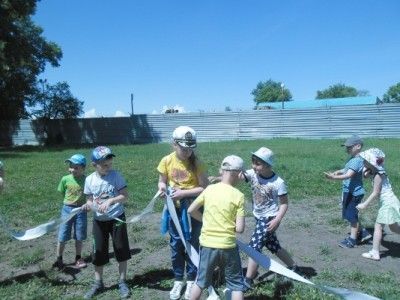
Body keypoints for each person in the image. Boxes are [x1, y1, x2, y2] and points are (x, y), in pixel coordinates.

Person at [157, 126, 208, 300]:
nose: (187, 152)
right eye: (183, 148)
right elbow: (162, 181)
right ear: (174, 144)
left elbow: (204, 188)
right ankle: (178, 279)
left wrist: (184, 193)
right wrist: (162, 188)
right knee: (176, 244)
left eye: (190, 148)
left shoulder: (198, 163)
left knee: (193, 242)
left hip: (193, 210)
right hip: (174, 210)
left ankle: (192, 279)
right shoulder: (166, 161)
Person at [240, 147, 298, 289]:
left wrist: (277, 220)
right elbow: (240, 177)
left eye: (257, 163)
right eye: (253, 162)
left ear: (267, 165)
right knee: (273, 245)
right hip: (259, 217)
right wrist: (224, 176)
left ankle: (248, 280)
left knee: (254, 247)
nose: (254, 166)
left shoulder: (278, 182)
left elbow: (284, 204)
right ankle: (294, 267)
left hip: (270, 218)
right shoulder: (253, 173)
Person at [188, 155, 245, 300]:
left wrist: (205, 221)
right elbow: (239, 229)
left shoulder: (209, 189)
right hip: (228, 246)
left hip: (207, 245)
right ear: (239, 174)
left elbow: (191, 210)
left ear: (221, 171)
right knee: (236, 285)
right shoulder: (239, 195)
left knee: (200, 282)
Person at [82, 146, 131, 299]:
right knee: (98, 252)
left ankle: (122, 281)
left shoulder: (116, 176)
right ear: (94, 165)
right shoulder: (89, 180)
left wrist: (111, 200)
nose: (108, 167)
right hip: (99, 222)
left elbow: (124, 196)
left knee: (121, 248)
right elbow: (89, 200)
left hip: (117, 219)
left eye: (110, 164)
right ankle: (98, 283)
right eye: (104, 165)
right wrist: (88, 206)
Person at [324, 135, 371, 248]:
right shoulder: (353, 159)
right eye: (346, 147)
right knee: (351, 214)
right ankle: (363, 233)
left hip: (354, 193)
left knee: (351, 217)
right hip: (350, 191)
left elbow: (349, 175)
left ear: (358, 146)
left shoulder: (357, 160)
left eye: (350, 147)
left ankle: (352, 240)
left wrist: (333, 178)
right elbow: (346, 170)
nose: (347, 149)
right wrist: (337, 172)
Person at [356, 148, 400, 261]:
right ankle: (375, 251)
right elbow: (366, 175)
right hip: (390, 201)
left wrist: (364, 204)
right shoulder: (377, 171)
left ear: (371, 162)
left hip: (387, 202)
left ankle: (375, 252)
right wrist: (367, 170)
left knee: (378, 227)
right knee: (394, 227)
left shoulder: (378, 175)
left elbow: (376, 192)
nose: (363, 162)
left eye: (365, 160)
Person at [53, 154, 88, 270]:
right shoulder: (65, 179)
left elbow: (89, 194)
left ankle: (78, 258)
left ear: (83, 168)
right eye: (71, 166)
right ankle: (59, 259)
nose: (72, 170)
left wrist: (85, 204)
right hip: (67, 210)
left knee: (79, 235)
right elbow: (62, 192)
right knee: (63, 234)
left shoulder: (86, 180)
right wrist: (69, 202)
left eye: (76, 167)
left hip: (80, 211)